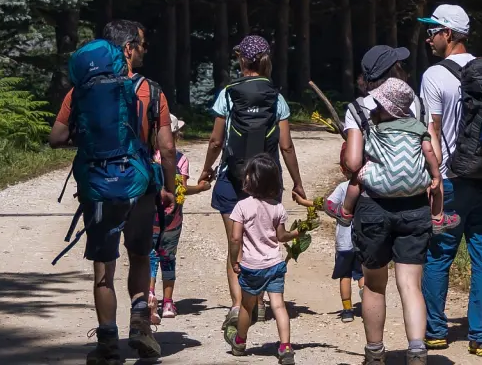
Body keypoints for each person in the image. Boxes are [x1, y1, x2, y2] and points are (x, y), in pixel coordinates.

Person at [49, 20, 171, 363]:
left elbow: (56, 137)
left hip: (99, 186)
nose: (145, 50)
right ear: (128, 49)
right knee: (140, 255)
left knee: (104, 269)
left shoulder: (81, 91)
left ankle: (107, 344)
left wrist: (87, 140)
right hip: (140, 185)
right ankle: (140, 324)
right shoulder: (151, 91)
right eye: (142, 44)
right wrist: (169, 188)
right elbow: (167, 147)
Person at [199, 35, 309, 345]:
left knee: (236, 242)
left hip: (232, 179)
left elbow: (216, 140)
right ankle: (258, 301)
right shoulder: (276, 97)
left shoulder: (229, 94)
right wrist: (297, 182)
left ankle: (239, 305)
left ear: (241, 59)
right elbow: (286, 146)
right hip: (267, 180)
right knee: (265, 240)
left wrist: (207, 169)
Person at [418, 3, 482, 357]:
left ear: (448, 34)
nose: (428, 38)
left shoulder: (434, 76)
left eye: (432, 31)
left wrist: (433, 179)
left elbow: (433, 131)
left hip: (452, 180)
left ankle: (435, 331)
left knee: (439, 255)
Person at [342, 77, 444, 365]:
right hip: (415, 208)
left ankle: (375, 353)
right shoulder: (418, 124)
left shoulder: (372, 127)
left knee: (374, 285)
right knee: (411, 285)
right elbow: (435, 156)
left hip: (374, 208)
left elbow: (353, 163)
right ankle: (417, 351)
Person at [326, 44, 423, 226]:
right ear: (394, 71)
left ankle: (345, 212)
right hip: (416, 201)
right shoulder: (419, 104)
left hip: (373, 203)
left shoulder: (358, 108)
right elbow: (435, 155)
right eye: (401, 65)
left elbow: (353, 163)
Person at [228, 154, 301, 364]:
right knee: (278, 306)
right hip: (275, 264)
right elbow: (281, 236)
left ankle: (240, 341)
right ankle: (285, 347)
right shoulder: (277, 207)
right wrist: (297, 233)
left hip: (251, 266)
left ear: (252, 180)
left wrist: (234, 260)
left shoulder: (242, 206)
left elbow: (235, 238)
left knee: (246, 306)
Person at [148, 115, 209, 323]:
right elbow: (181, 188)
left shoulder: (148, 157)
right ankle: (167, 303)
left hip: (150, 218)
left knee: (150, 256)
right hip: (172, 218)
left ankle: (150, 297)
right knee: (168, 258)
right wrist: (200, 188)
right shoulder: (180, 159)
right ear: (175, 135)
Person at [326, 178, 363, 320]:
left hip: (344, 242)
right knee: (362, 274)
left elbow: (329, 204)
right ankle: (367, 300)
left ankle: (347, 311)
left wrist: (339, 213)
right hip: (362, 241)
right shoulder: (367, 186)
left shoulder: (343, 187)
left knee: (345, 276)